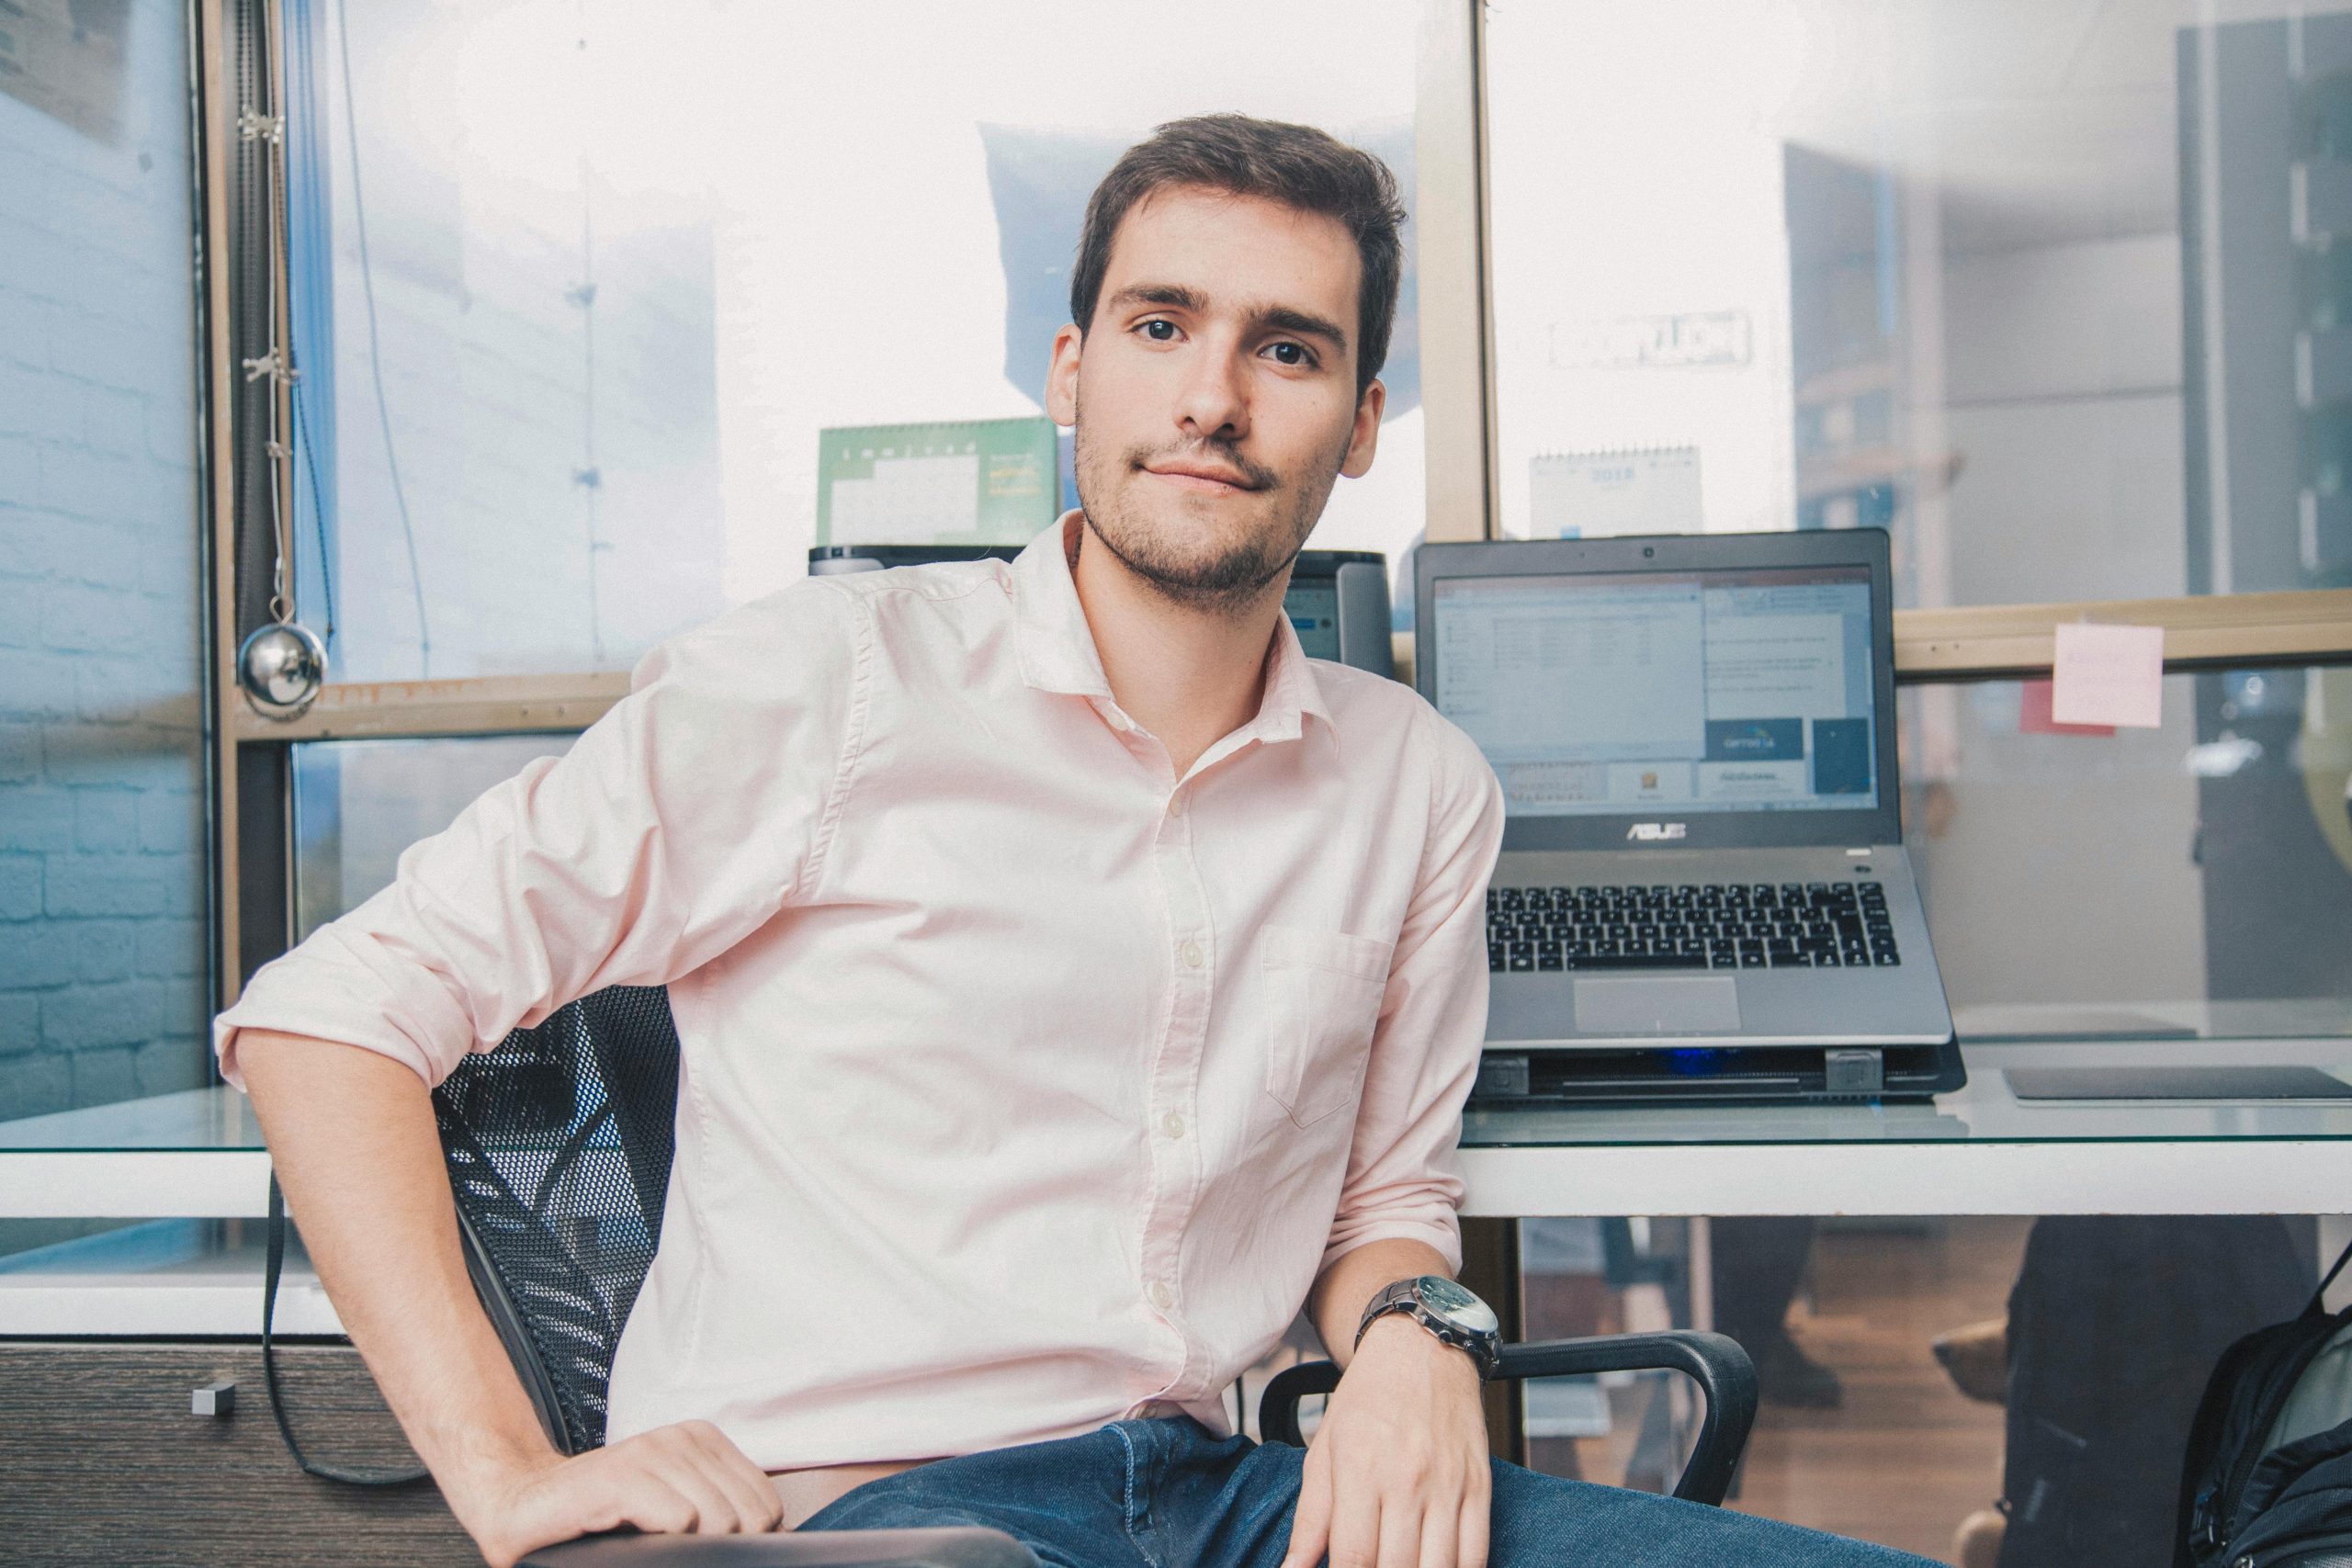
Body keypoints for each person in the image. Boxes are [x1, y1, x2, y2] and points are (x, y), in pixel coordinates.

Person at [219, 114, 1929, 1568]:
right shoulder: (828, 685)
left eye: (1286, 346)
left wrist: (1421, 1339)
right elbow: (329, 1016)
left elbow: (1386, 1201)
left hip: (1228, 1498)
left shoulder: (1415, 785)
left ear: (1361, 421)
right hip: (882, 1516)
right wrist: (511, 1476)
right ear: (1072, 367)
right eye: (1162, 325)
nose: (1214, 397)